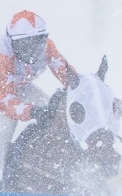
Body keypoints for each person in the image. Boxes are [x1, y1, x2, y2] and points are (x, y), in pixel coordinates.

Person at [0, 10, 76, 171]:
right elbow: (5, 101)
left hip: (20, 87)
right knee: (4, 130)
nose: (33, 52)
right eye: (26, 46)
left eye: (37, 43)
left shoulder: (47, 46)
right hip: (3, 94)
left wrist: (84, 90)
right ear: (12, 42)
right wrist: (32, 112)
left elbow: (66, 73)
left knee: (56, 113)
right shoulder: (3, 57)